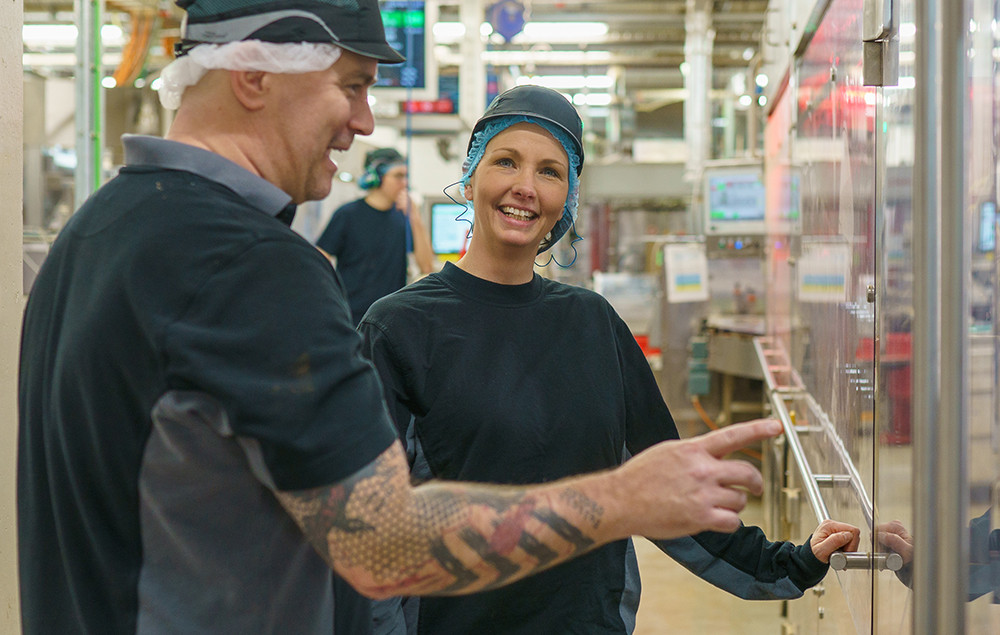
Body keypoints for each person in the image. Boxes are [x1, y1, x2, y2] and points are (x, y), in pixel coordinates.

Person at [16, 2, 785, 634]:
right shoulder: (252, 267)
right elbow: (383, 548)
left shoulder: (97, 232)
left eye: (551, 170)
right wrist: (623, 498)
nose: (365, 121)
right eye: (350, 84)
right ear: (253, 72)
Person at [358, 84, 861, 634]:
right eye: (507, 161)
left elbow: (666, 492)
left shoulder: (593, 324)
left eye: (550, 172)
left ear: (567, 199)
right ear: (473, 174)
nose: (525, 187)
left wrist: (793, 562)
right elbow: (367, 531)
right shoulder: (399, 329)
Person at [316, 146, 434, 324]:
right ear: (376, 178)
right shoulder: (348, 215)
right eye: (398, 176)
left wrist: (415, 218)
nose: (405, 183)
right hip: (350, 318)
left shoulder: (404, 218)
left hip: (390, 319)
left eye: (406, 176)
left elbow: (427, 267)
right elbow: (320, 259)